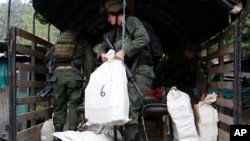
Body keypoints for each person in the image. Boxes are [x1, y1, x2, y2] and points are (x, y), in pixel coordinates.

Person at [95, 0, 155, 140]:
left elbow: (143, 38)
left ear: (117, 13)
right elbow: (103, 45)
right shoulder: (117, 32)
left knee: (129, 110)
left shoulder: (131, 21)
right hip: (129, 74)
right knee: (125, 109)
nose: (108, 19)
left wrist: (125, 51)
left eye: (109, 15)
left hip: (140, 73)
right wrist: (102, 54)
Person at [45, 30, 95, 141]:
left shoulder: (60, 43)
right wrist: (88, 78)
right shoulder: (83, 43)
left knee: (59, 107)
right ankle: (72, 136)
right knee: (73, 106)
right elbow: (90, 61)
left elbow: (47, 57)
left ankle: (58, 137)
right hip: (74, 77)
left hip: (57, 77)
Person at [155, 41, 207, 106]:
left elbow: (200, 77)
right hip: (170, 84)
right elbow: (159, 68)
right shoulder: (173, 55)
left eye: (193, 53)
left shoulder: (196, 61)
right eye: (189, 52)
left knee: (190, 101)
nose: (191, 55)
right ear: (184, 50)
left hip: (185, 85)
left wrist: (203, 93)